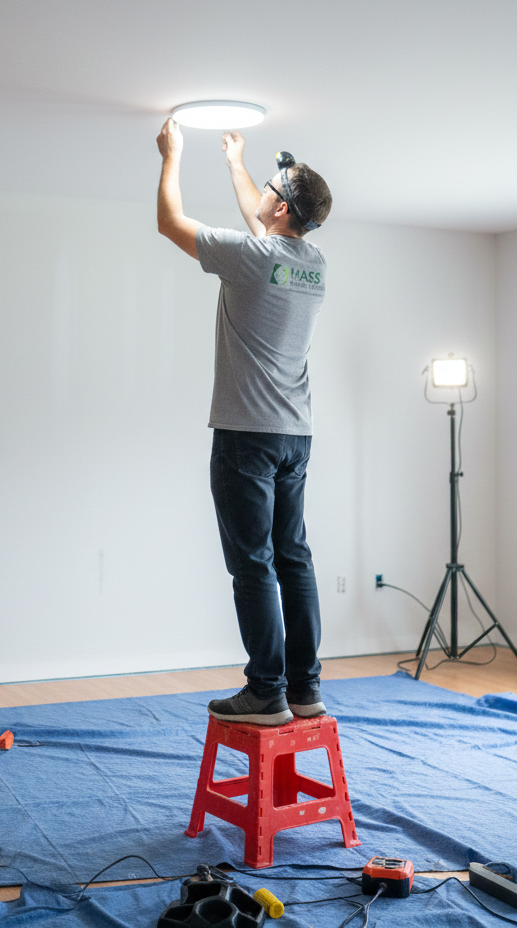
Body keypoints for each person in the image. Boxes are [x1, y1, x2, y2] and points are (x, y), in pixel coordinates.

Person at [155, 118, 333, 725]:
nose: (261, 191)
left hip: (246, 436)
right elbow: (266, 229)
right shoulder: (313, 264)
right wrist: (236, 162)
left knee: (252, 562)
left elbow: (169, 224)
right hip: (295, 435)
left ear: (280, 207)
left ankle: (265, 692)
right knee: (293, 557)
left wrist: (171, 155)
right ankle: (304, 689)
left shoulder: (252, 257)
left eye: (268, 187)